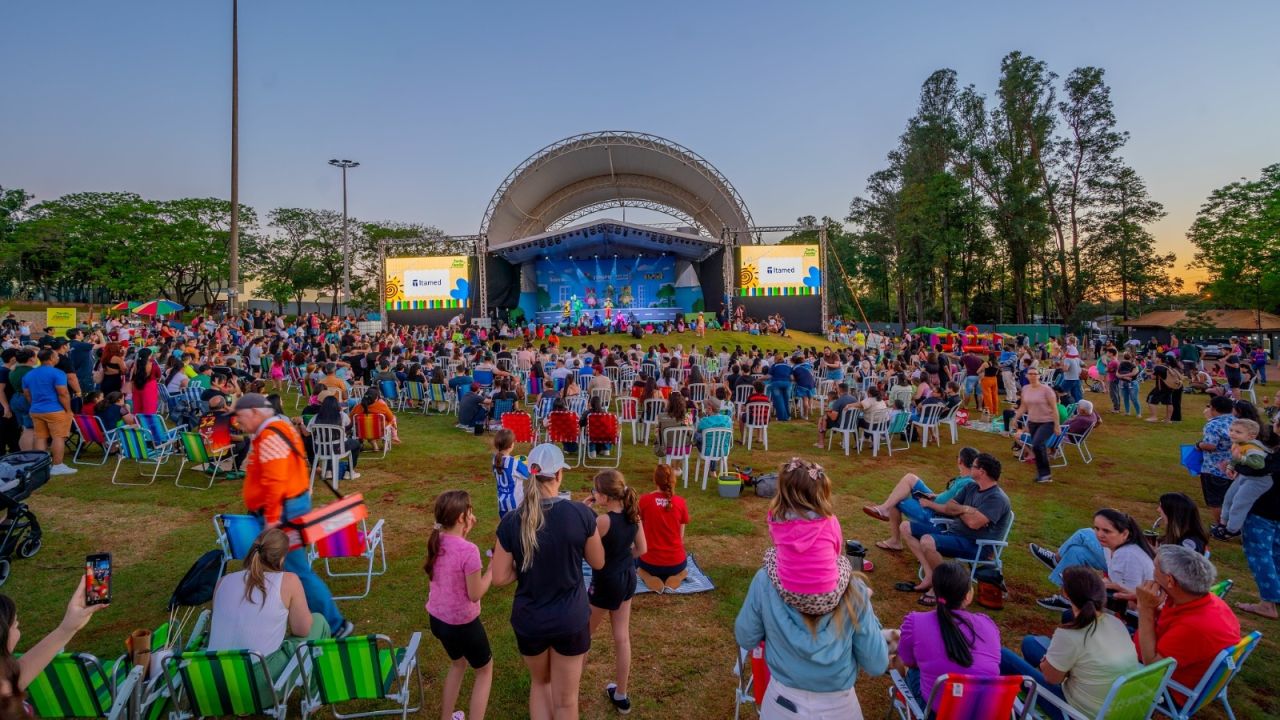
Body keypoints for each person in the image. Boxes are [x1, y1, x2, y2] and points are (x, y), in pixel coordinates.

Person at [490, 444, 604, 720]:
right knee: (566, 702)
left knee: (540, 686)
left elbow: (499, 576)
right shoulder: (580, 514)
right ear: (560, 475)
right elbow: (598, 562)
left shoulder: (511, 521)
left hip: (531, 620)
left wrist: (526, 562)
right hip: (571, 618)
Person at [734, 516, 888, 719]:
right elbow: (876, 663)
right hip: (840, 708)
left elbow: (746, 637)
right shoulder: (854, 589)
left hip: (781, 705)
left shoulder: (765, 580)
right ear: (833, 545)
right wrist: (864, 610)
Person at [233, 393, 353, 639]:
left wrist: (272, 520)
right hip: (285, 507)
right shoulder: (275, 428)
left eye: (241, 417)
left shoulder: (270, 436)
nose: (238, 423)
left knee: (296, 569)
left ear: (255, 412)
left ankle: (335, 623)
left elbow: (276, 480)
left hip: (282, 511)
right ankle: (297, 612)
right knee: (290, 567)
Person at [999, 567, 1139, 720]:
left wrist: (1047, 664)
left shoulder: (1070, 634)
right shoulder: (1116, 623)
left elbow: (1052, 679)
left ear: (1065, 593)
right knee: (1030, 643)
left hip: (1077, 713)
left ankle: (1007, 707)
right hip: (1118, 708)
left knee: (1003, 656)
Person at [208, 528, 329, 694]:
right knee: (319, 622)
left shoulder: (223, 582)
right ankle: (315, 696)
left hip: (212, 678)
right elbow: (303, 630)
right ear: (281, 559)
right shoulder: (288, 581)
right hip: (257, 683)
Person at [897, 453, 1011, 601]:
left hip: (976, 545)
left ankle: (942, 587)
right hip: (953, 533)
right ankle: (930, 575)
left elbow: (973, 524)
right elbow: (949, 506)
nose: (971, 468)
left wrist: (959, 510)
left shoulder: (997, 498)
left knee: (927, 541)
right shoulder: (971, 486)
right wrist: (966, 509)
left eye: (974, 466)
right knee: (905, 526)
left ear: (982, 472)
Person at [424, 491, 494, 720]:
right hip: (462, 624)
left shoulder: (437, 540)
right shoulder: (469, 551)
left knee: (458, 664)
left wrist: (465, 533)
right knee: (484, 671)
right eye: (470, 511)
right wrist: (492, 569)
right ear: (463, 517)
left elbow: (455, 548)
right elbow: (475, 593)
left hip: (438, 621)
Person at [1135, 545, 1241, 695]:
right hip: (1164, 651)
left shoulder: (1194, 627)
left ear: (1170, 580)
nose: (1152, 572)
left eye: (1155, 567)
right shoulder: (1207, 601)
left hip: (1168, 687)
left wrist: (1145, 609)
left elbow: (1152, 666)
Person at [584, 470, 646, 714]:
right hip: (627, 578)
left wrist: (584, 512)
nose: (593, 494)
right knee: (622, 637)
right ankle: (621, 694)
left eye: (595, 491)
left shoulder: (602, 521)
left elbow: (587, 551)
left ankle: (567, 688)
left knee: (583, 636)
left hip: (605, 582)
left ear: (606, 497)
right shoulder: (634, 516)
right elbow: (642, 548)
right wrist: (622, 558)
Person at [896, 562, 1001, 705]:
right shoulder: (988, 625)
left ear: (935, 592)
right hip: (983, 711)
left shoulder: (915, 622)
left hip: (936, 712)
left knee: (914, 672)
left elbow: (908, 661)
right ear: (968, 595)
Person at [0, 581, 107, 716]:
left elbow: (17, 676)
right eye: (14, 625)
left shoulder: (5, 680)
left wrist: (67, 627)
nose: (18, 627)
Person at [1029, 509, 1154, 612]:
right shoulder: (1111, 547)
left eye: (1106, 531)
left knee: (1083, 534)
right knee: (1076, 552)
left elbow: (1130, 603)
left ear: (1125, 534)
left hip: (1138, 612)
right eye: (1097, 528)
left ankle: (1056, 563)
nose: (1099, 534)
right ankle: (1066, 599)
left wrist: (1096, 589)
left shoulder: (1127, 555)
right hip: (1125, 601)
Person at [767, 458, 846, 612]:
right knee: (844, 562)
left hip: (789, 594)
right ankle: (860, 595)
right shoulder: (829, 520)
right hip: (828, 597)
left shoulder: (776, 518)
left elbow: (776, 544)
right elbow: (837, 551)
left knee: (770, 554)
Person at [863, 447, 979, 552]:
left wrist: (929, 504)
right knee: (910, 478)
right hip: (934, 502)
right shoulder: (964, 478)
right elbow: (950, 496)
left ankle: (895, 540)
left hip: (935, 514)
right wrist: (935, 496)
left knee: (896, 500)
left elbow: (952, 509)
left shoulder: (967, 483)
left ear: (960, 461)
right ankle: (884, 509)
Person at [1214, 417, 1274, 539]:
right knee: (1229, 498)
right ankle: (1223, 523)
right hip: (1245, 476)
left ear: (1251, 436)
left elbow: (1259, 464)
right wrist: (1231, 466)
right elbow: (1235, 458)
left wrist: (1241, 459)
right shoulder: (1239, 443)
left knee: (1240, 503)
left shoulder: (1253, 448)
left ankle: (1232, 530)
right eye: (1231, 430)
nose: (1232, 433)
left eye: (1238, 432)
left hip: (1259, 480)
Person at [22, 348, 76, 475]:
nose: (58, 358)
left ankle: (41, 465)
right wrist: (68, 410)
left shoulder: (29, 374)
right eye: (57, 356)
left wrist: (35, 405)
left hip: (36, 409)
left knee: (40, 437)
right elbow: (63, 393)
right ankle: (57, 465)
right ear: (51, 358)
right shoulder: (57, 373)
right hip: (55, 410)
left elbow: (27, 394)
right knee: (58, 437)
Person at [636, 464, 690, 592]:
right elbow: (680, 537)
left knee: (636, 563)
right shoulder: (680, 502)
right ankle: (680, 575)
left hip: (649, 563)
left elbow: (638, 530)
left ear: (655, 480)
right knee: (684, 568)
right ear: (673, 480)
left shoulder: (644, 500)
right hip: (676, 563)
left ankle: (646, 576)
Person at [1013, 366, 1059, 483]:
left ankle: (1045, 474)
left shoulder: (1046, 390)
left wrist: (1057, 425)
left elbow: (1054, 408)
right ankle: (1044, 474)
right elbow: (1024, 406)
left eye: (1035, 374)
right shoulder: (1025, 389)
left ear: (1039, 375)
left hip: (1047, 421)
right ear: (1027, 376)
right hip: (1033, 422)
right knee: (1038, 447)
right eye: (1030, 374)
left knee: (1037, 444)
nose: (1033, 376)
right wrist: (1016, 417)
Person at [1196, 395, 1237, 526]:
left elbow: (1211, 446)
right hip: (1234, 467)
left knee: (1216, 500)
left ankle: (1221, 526)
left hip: (1214, 468)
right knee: (1231, 498)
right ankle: (1232, 524)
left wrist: (1199, 445)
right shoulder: (1237, 422)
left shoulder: (1213, 425)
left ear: (1213, 408)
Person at [492, 428, 527, 519]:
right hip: (516, 505)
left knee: (505, 528)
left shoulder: (494, 459)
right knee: (516, 530)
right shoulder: (514, 463)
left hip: (502, 503)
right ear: (511, 445)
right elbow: (529, 474)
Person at [127, 348, 161, 415]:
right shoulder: (153, 365)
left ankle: (138, 423)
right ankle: (147, 424)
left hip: (137, 387)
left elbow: (131, 376)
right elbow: (159, 375)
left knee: (137, 409)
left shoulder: (134, 365)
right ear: (149, 356)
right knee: (149, 410)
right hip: (149, 387)